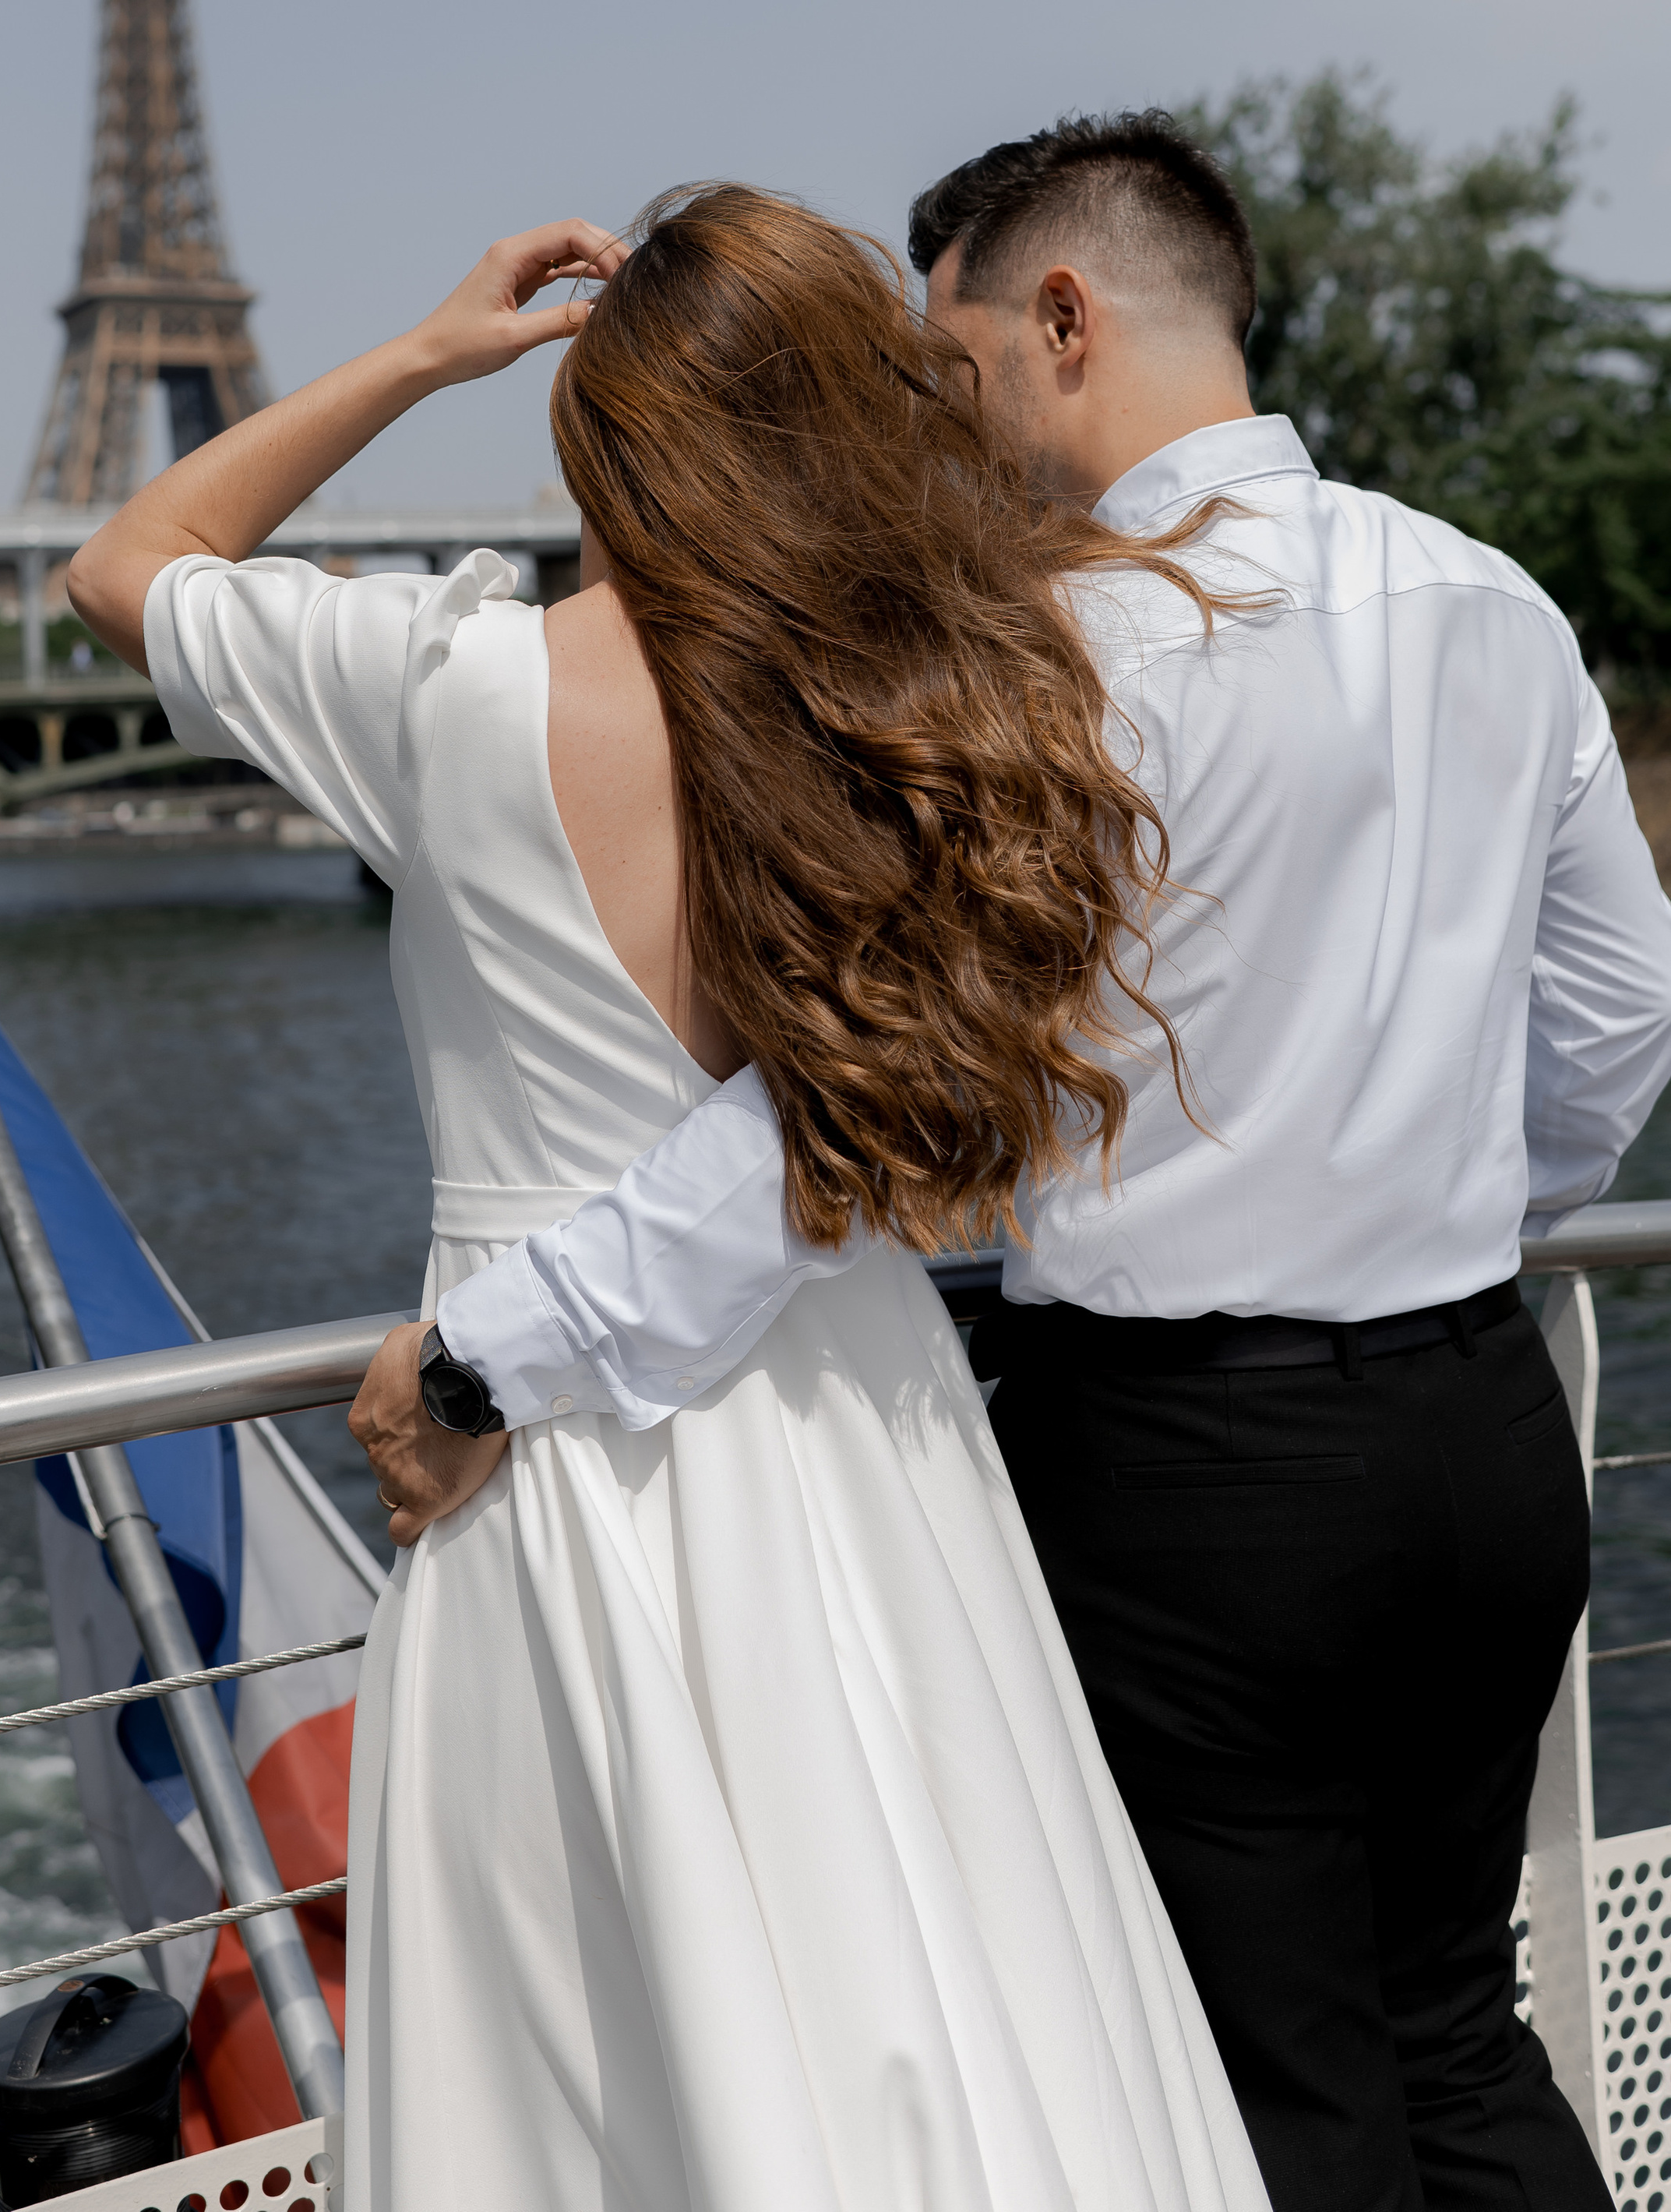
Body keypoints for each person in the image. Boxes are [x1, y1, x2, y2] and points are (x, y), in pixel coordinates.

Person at [365, 117, 1671, 2212]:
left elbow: (854, 1114)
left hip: (1196, 1486)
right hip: (1479, 1427)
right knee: (1453, 2030)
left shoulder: (1064, 651)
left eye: (946, 359)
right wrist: (1417, 1211)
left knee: (1278, 2083)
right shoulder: (1486, 600)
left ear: (1059, 319)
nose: (933, 423)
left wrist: (494, 1353)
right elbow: (1614, 1019)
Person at [68, 187, 1271, 2212]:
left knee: (593, 2072)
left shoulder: (450, 694)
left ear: (601, 437)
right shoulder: (940, 716)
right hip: (869, 1438)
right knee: (958, 1985)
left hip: (548, 1482)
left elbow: (129, 559)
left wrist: (426, 352)